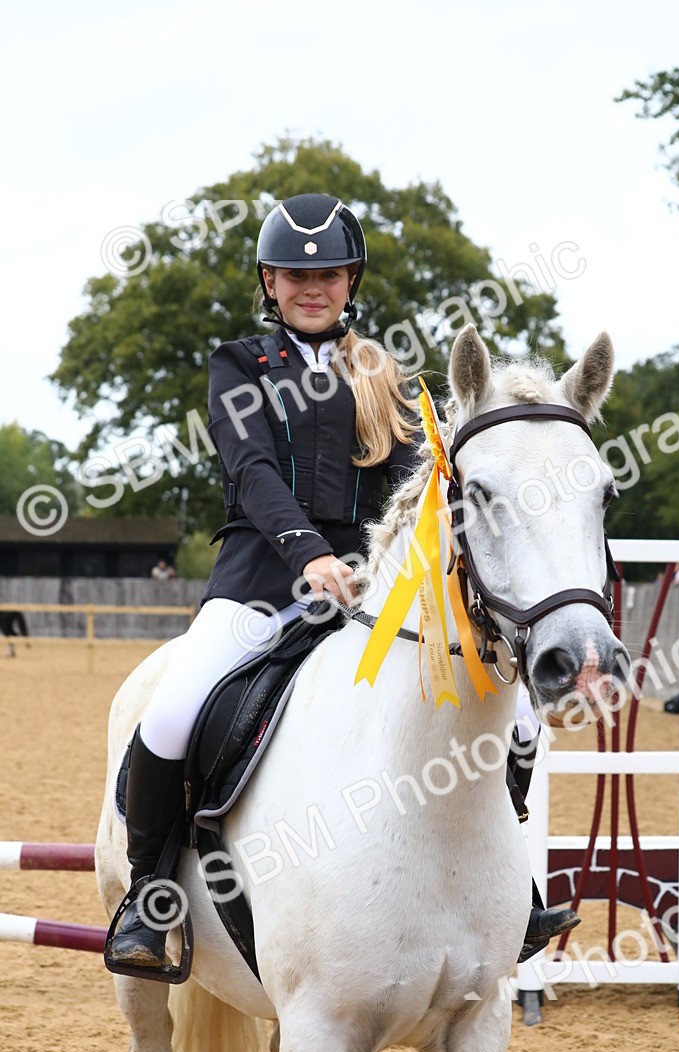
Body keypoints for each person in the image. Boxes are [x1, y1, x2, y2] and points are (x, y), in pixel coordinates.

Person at [107, 192, 576, 972]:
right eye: (294, 274)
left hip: (372, 588)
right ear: (268, 281)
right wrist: (306, 554)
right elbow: (251, 470)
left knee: (517, 710)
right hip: (259, 582)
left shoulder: (384, 376)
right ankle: (149, 900)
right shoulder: (239, 366)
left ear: (351, 281)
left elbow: (414, 483)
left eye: (327, 273)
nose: (311, 286)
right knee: (170, 714)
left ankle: (510, 892)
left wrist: (385, 564)